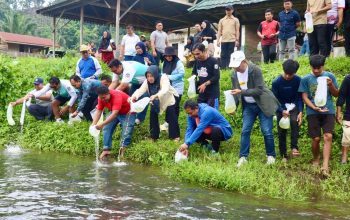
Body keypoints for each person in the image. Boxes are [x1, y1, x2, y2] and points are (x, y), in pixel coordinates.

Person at [229, 51, 279, 167]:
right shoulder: (234, 74)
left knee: (266, 131)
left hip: (263, 104)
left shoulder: (255, 70)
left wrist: (242, 92)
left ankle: (271, 156)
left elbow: (259, 90)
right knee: (245, 130)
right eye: (234, 66)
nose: (236, 68)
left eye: (237, 66)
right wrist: (234, 107)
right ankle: (243, 157)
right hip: (248, 106)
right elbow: (235, 92)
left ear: (244, 61)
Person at [298, 55, 339, 176]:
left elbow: (336, 94)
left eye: (319, 68)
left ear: (323, 66)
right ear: (310, 66)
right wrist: (313, 107)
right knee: (315, 138)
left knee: (328, 136)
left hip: (328, 110)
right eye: (314, 68)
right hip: (313, 112)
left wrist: (331, 85)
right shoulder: (306, 79)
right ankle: (316, 158)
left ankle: (325, 165)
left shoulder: (330, 76)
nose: (316, 70)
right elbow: (304, 96)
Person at [131, 65, 180, 141]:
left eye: (151, 76)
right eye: (148, 76)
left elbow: (165, 89)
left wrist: (156, 95)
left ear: (156, 74)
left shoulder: (163, 78)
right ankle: (154, 136)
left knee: (172, 116)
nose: (150, 78)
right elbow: (140, 90)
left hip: (169, 98)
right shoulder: (146, 82)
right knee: (153, 116)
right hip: (155, 100)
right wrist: (135, 96)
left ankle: (175, 136)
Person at [91, 86, 136, 160]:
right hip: (115, 111)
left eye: (104, 97)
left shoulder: (116, 96)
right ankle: (106, 150)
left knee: (126, 130)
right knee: (106, 128)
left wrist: (101, 124)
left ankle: (122, 151)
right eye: (101, 98)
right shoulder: (100, 98)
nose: (102, 99)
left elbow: (114, 114)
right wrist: (93, 124)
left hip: (128, 112)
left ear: (108, 93)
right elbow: (99, 111)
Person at [272, 60, 303, 161]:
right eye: (286, 74)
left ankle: (294, 147)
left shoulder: (298, 80)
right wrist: (281, 110)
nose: (288, 76)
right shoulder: (276, 82)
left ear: (295, 72)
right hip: (281, 106)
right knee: (282, 129)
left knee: (295, 122)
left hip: (293, 106)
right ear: (283, 70)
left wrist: (300, 111)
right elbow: (274, 99)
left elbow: (299, 97)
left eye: (291, 74)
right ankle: (283, 154)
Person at [108, 59, 148, 124]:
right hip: (136, 82)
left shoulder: (128, 68)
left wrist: (112, 96)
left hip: (146, 81)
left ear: (120, 66)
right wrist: (107, 93)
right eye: (113, 71)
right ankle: (130, 116)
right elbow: (114, 82)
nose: (115, 72)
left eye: (115, 71)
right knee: (130, 98)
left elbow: (123, 85)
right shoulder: (115, 69)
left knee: (143, 98)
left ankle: (139, 118)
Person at [192, 43, 220, 109]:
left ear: (204, 51)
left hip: (212, 94)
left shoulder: (213, 61)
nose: (196, 56)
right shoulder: (197, 61)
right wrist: (192, 80)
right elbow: (194, 73)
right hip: (202, 94)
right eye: (195, 54)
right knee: (200, 113)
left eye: (198, 54)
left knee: (212, 114)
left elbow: (216, 76)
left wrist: (205, 84)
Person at [336, 74, 350, 164]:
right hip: (349, 113)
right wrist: (339, 112)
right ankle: (344, 157)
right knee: (347, 135)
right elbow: (341, 96)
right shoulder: (348, 79)